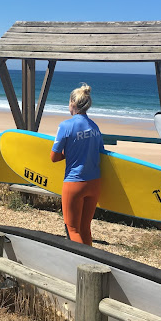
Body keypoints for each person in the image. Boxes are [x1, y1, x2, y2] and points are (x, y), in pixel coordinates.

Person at [50, 83, 104, 245]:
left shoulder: (66, 126)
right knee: (85, 228)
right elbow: (100, 152)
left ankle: (80, 265)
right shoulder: (95, 127)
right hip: (94, 183)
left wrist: (69, 153)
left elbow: (54, 157)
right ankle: (92, 264)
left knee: (73, 230)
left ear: (72, 104)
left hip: (75, 182)